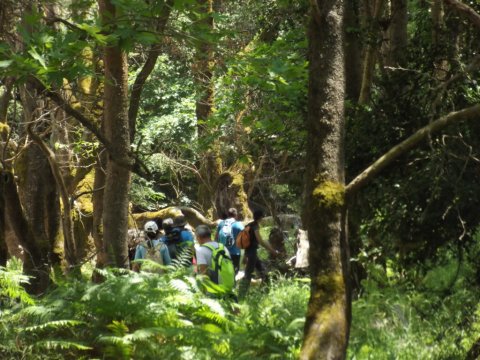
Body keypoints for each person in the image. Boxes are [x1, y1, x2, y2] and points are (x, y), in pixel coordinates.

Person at [239, 209, 277, 299]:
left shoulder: (248, 225)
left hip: (251, 253)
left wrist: (245, 256)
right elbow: (260, 241)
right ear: (260, 218)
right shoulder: (255, 226)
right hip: (252, 254)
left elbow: (246, 242)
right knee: (248, 275)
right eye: (263, 217)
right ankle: (241, 295)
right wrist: (272, 250)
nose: (263, 219)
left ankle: (263, 292)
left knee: (263, 272)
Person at [195, 224, 235, 298]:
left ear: (198, 237)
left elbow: (204, 273)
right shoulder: (222, 247)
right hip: (228, 282)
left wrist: (203, 292)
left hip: (214, 287)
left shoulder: (200, 250)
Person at [215, 207, 243, 274]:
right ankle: (232, 284)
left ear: (228, 215)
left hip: (222, 252)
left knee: (223, 272)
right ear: (236, 215)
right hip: (235, 252)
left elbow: (216, 238)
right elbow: (245, 238)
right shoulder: (238, 225)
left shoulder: (221, 224)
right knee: (234, 272)